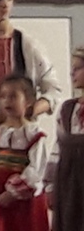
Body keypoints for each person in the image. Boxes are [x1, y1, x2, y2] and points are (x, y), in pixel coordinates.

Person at [0, 75, 49, 231]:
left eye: (13, 96)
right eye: (3, 96)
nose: (7, 101)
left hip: (26, 202)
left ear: (28, 101)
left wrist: (13, 192)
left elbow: (37, 169)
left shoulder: (34, 134)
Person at [44, 46, 84, 230]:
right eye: (71, 68)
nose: (71, 73)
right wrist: (50, 186)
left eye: (78, 68)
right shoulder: (68, 109)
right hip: (68, 185)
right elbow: (57, 149)